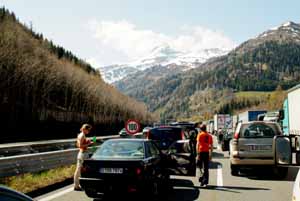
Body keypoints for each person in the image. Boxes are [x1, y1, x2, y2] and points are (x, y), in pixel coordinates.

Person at [74, 124, 93, 191]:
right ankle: (76, 186)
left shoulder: (81, 135)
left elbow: (78, 144)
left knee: (79, 170)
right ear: (85, 129)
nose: (89, 131)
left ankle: (77, 185)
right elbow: (80, 146)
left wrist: (87, 141)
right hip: (82, 154)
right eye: (88, 130)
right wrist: (89, 143)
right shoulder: (82, 135)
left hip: (82, 153)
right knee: (79, 170)